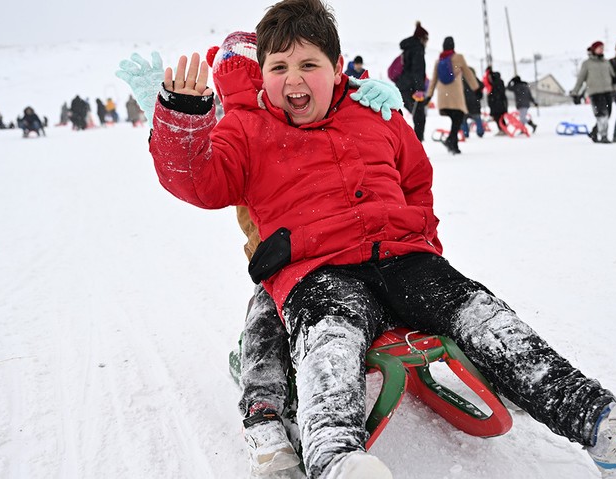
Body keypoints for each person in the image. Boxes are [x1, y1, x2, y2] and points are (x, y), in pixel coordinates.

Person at [147, 1, 616, 478]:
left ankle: (606, 427)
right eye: (278, 66)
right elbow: (197, 180)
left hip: (402, 256)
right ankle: (335, 457)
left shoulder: (376, 114)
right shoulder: (248, 130)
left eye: (308, 64)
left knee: (482, 315)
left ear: (338, 67)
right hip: (316, 267)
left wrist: (421, 240)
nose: (293, 79)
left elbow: (415, 179)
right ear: (261, 73)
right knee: (331, 336)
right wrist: (183, 118)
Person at [118, 29, 406, 477]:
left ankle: (494, 362)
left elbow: (337, 116)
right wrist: (168, 112)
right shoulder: (240, 129)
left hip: (355, 255)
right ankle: (264, 417)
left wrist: (369, 95)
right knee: (265, 327)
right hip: (285, 269)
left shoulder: (293, 109)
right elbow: (198, 160)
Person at [426, 36, 481, 154]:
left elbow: (433, 79)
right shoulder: (459, 58)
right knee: (458, 117)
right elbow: (468, 73)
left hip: (443, 97)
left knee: (455, 119)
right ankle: (451, 140)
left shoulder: (438, 61)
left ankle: (453, 144)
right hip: (455, 96)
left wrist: (429, 96)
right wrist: (476, 89)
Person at [570, 41, 615, 144]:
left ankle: (594, 132)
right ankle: (603, 136)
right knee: (601, 115)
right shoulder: (587, 64)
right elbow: (580, 79)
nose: (601, 50)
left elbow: (613, 76)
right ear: (594, 49)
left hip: (607, 91)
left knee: (608, 115)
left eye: (602, 48)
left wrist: (615, 88)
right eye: (599, 48)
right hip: (595, 92)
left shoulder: (606, 62)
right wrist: (575, 92)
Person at [395, 21, 429, 142]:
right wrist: (419, 89)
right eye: (426, 39)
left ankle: (413, 145)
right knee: (420, 118)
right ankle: (415, 147)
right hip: (412, 88)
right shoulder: (417, 49)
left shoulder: (409, 47)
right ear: (422, 38)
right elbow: (417, 70)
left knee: (417, 117)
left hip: (403, 87)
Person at [461, 66, 484, 139]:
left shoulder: (461, 80)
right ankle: (480, 132)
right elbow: (481, 86)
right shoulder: (475, 79)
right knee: (477, 118)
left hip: (464, 103)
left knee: (463, 119)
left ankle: (465, 133)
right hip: (475, 103)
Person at [485, 67, 508, 136]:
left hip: (497, 104)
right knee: (500, 118)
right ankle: (504, 128)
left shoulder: (495, 84)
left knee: (497, 117)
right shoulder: (500, 82)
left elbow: (495, 94)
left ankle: (502, 129)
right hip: (499, 104)